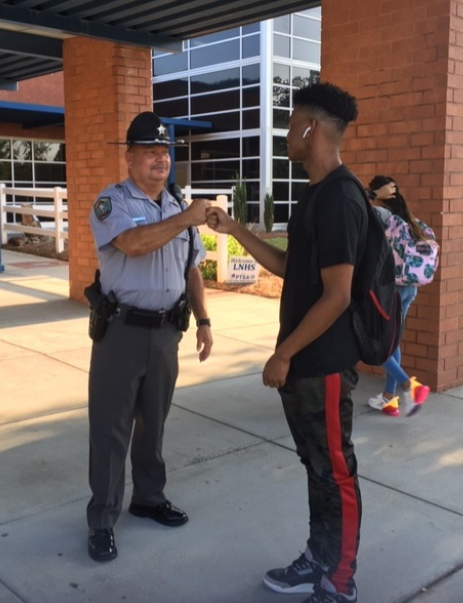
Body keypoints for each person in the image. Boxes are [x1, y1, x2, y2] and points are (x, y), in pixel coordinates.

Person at [207, 82, 365, 603]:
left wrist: (284, 353)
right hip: (304, 365)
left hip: (323, 363)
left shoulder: (341, 196)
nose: (286, 134)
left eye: (291, 123)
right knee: (317, 469)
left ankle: (340, 584)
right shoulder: (314, 195)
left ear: (309, 129)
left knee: (335, 472)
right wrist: (233, 228)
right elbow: (286, 266)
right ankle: (319, 558)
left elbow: (338, 296)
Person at [86, 111, 213, 562]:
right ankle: (102, 518)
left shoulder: (179, 207)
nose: (160, 159)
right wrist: (184, 220)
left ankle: (148, 497)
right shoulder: (113, 202)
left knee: (153, 423)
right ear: (130, 158)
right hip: (120, 333)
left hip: (166, 334)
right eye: (149, 151)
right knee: (110, 429)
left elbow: (191, 267)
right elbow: (133, 244)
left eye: (165, 151)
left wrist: (202, 320)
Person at [367, 176, 431, 417]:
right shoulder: (408, 218)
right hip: (409, 288)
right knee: (393, 340)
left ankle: (410, 386)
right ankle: (388, 399)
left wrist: (374, 197)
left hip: (388, 290)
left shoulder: (382, 216)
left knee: (374, 344)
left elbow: (355, 209)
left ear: (379, 194)